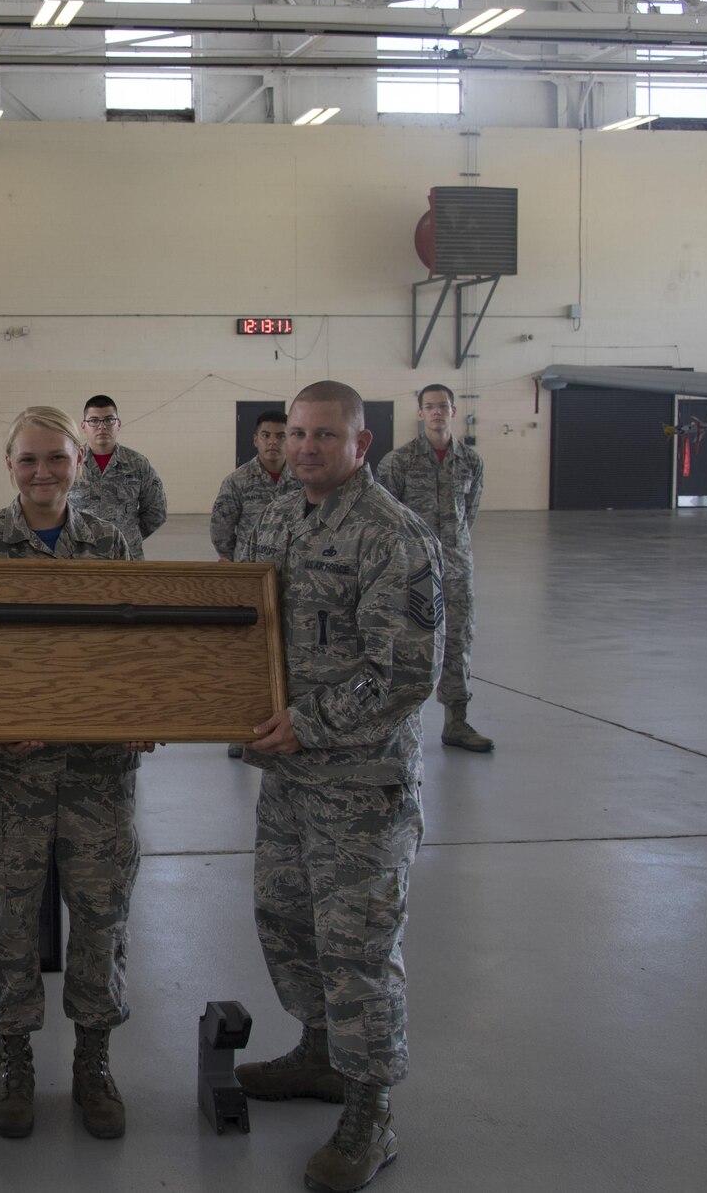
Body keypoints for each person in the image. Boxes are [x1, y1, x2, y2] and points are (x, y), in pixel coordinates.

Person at [236, 380, 444, 1193]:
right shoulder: (279, 515)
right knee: (285, 915)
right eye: (296, 433)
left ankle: (370, 1107)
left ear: (361, 444)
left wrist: (312, 723)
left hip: (360, 782)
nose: (307, 447)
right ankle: (322, 1049)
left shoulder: (393, 534)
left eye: (326, 435)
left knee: (358, 946)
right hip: (289, 776)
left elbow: (407, 671)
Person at [0, 406, 150, 1142]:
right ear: (8, 464)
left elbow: (133, 648)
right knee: (7, 921)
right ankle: (15, 1058)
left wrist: (140, 710)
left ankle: (93, 1060)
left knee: (100, 917)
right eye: (28, 460)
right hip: (10, 776)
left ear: (78, 463)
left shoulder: (111, 541)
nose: (43, 473)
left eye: (56, 459)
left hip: (97, 774)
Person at [377, 384, 492, 752]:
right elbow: (388, 515)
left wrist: (452, 550)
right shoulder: (399, 461)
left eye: (443, 406)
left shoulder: (471, 461)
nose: (437, 412)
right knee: (405, 643)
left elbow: (467, 513)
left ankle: (457, 722)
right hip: (413, 569)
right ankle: (394, 722)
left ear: (454, 411)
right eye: (430, 407)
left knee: (458, 641)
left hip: (457, 568)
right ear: (421, 413)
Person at [211, 409, 301, 757]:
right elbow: (221, 527)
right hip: (252, 581)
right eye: (267, 435)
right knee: (248, 655)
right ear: (255, 439)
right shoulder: (238, 481)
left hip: (295, 580)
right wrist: (236, 567)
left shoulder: (302, 478)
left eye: (281, 435)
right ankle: (242, 726)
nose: (274, 442)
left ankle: (290, 720)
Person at [67, 394, 166, 559]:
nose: (102, 426)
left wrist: (130, 534)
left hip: (126, 555)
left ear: (118, 424)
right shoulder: (69, 463)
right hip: (81, 557)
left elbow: (156, 511)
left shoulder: (137, 464)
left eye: (109, 420)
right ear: (84, 426)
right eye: (94, 420)